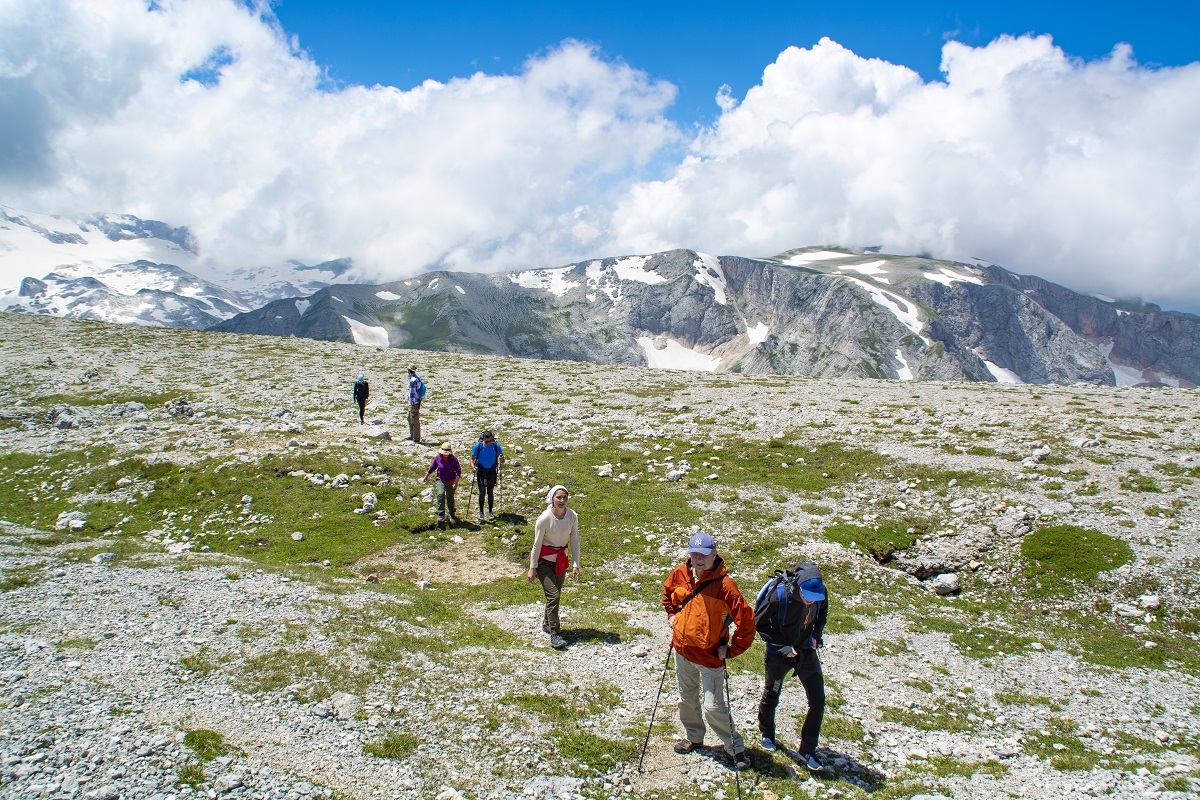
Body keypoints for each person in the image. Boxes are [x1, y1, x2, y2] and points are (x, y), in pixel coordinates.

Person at [662, 531, 755, 771]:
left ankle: (735, 748)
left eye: (704, 554)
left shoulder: (726, 586)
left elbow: (746, 622)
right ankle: (694, 737)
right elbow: (667, 595)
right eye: (694, 554)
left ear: (714, 554)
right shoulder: (681, 573)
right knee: (687, 698)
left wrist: (732, 649)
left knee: (713, 706)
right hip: (682, 650)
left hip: (711, 657)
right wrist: (672, 616)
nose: (699, 559)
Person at [756, 562, 828, 772]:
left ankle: (808, 749)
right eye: (808, 597)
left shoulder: (820, 592)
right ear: (799, 588)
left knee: (818, 700)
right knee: (772, 693)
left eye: (814, 599)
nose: (810, 602)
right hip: (779, 653)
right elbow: (759, 623)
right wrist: (782, 645)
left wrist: (816, 636)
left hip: (806, 651)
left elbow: (822, 613)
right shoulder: (779, 596)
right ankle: (767, 733)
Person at [527, 485, 579, 649]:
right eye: (559, 497)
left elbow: (575, 540)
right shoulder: (544, 518)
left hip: (560, 560)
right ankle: (555, 634)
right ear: (552, 499)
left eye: (564, 497)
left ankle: (547, 621)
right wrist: (532, 567)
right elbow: (536, 545)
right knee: (554, 595)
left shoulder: (572, 516)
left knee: (555, 594)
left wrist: (576, 564)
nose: (562, 500)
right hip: (544, 562)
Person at [470, 430, 506, 521]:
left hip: (492, 470)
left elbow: (502, 460)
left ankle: (490, 512)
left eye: (490, 441)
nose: (488, 443)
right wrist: (473, 467)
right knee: (482, 492)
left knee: (490, 491)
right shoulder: (478, 446)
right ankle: (481, 513)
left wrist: (501, 458)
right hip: (481, 470)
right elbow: (471, 458)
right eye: (486, 441)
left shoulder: (495, 446)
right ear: (483, 439)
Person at [422, 441, 461, 522]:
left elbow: (458, 471)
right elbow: (432, 467)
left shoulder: (454, 459)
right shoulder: (438, 458)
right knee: (440, 494)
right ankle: (441, 514)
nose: (445, 454)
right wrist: (427, 476)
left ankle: (452, 513)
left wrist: (456, 482)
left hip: (451, 480)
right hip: (440, 479)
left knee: (450, 497)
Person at [406, 365, 426, 442]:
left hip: (414, 403)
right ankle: (412, 435)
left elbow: (412, 394)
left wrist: (412, 405)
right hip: (417, 402)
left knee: (414, 420)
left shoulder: (413, 380)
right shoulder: (417, 378)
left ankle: (416, 438)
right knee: (410, 418)